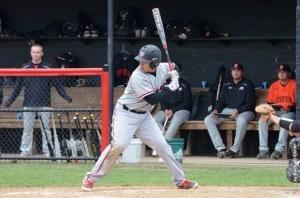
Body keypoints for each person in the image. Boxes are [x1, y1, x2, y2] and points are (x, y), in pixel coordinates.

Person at [81, 44, 198, 191]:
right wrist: (170, 88)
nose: (140, 64)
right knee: (119, 145)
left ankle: (180, 180)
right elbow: (153, 99)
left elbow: (174, 66)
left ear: (154, 63)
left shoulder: (162, 67)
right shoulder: (138, 76)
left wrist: (175, 74)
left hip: (144, 116)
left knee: (162, 145)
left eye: (144, 61)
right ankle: (91, 178)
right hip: (126, 114)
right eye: (140, 60)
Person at [4, 44, 72, 157]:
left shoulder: (48, 67)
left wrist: (65, 96)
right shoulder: (25, 68)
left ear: (42, 53)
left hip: (44, 104)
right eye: (34, 52)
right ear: (31, 53)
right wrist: (9, 101)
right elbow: (17, 87)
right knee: (27, 129)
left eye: (38, 52)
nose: (36, 54)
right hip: (28, 104)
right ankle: (25, 150)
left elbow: (57, 84)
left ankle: (47, 150)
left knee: (46, 129)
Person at [204, 63, 255, 158]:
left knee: (241, 121)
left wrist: (238, 111)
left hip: (245, 112)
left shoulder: (248, 84)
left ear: (242, 72)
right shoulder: (226, 84)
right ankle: (221, 149)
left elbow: (250, 103)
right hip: (227, 111)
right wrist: (216, 110)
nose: (235, 72)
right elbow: (221, 102)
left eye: (238, 70)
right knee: (208, 119)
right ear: (231, 72)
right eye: (234, 70)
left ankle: (234, 149)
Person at [256, 64, 296, 160]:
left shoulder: (294, 84)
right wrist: (267, 109)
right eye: (279, 72)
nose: (281, 74)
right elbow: (269, 102)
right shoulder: (274, 85)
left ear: (289, 73)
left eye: (283, 72)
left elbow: (297, 104)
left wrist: (289, 109)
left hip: (289, 111)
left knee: (284, 121)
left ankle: (278, 150)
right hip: (275, 111)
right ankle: (264, 150)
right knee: (262, 120)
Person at [152, 77, 193, 157]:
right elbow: (162, 99)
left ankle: (166, 143)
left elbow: (187, 103)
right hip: (167, 110)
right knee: (155, 120)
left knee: (176, 118)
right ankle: (163, 140)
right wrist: (165, 109)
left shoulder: (185, 85)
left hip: (182, 110)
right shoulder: (165, 84)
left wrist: (173, 110)